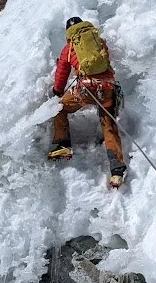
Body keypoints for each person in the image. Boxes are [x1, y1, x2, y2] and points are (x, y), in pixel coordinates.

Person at [49, 16, 127, 188]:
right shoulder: (98, 41)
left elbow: (62, 73)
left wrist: (57, 91)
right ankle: (116, 171)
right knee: (109, 125)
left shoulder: (70, 47)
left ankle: (63, 144)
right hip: (107, 89)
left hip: (84, 90)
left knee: (59, 109)